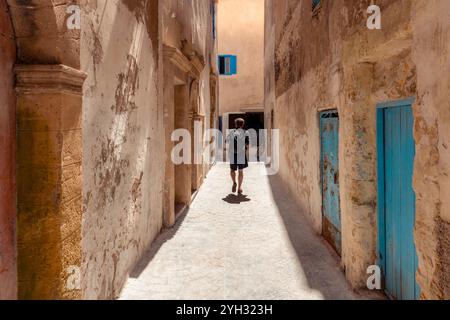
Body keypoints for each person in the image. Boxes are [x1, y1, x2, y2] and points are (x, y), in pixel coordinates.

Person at [226, 118, 249, 194]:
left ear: (235, 124)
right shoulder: (245, 132)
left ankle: (234, 182)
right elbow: (247, 144)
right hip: (241, 154)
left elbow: (227, 140)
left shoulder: (232, 132)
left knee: (232, 170)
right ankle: (239, 188)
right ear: (242, 124)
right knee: (241, 171)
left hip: (233, 154)